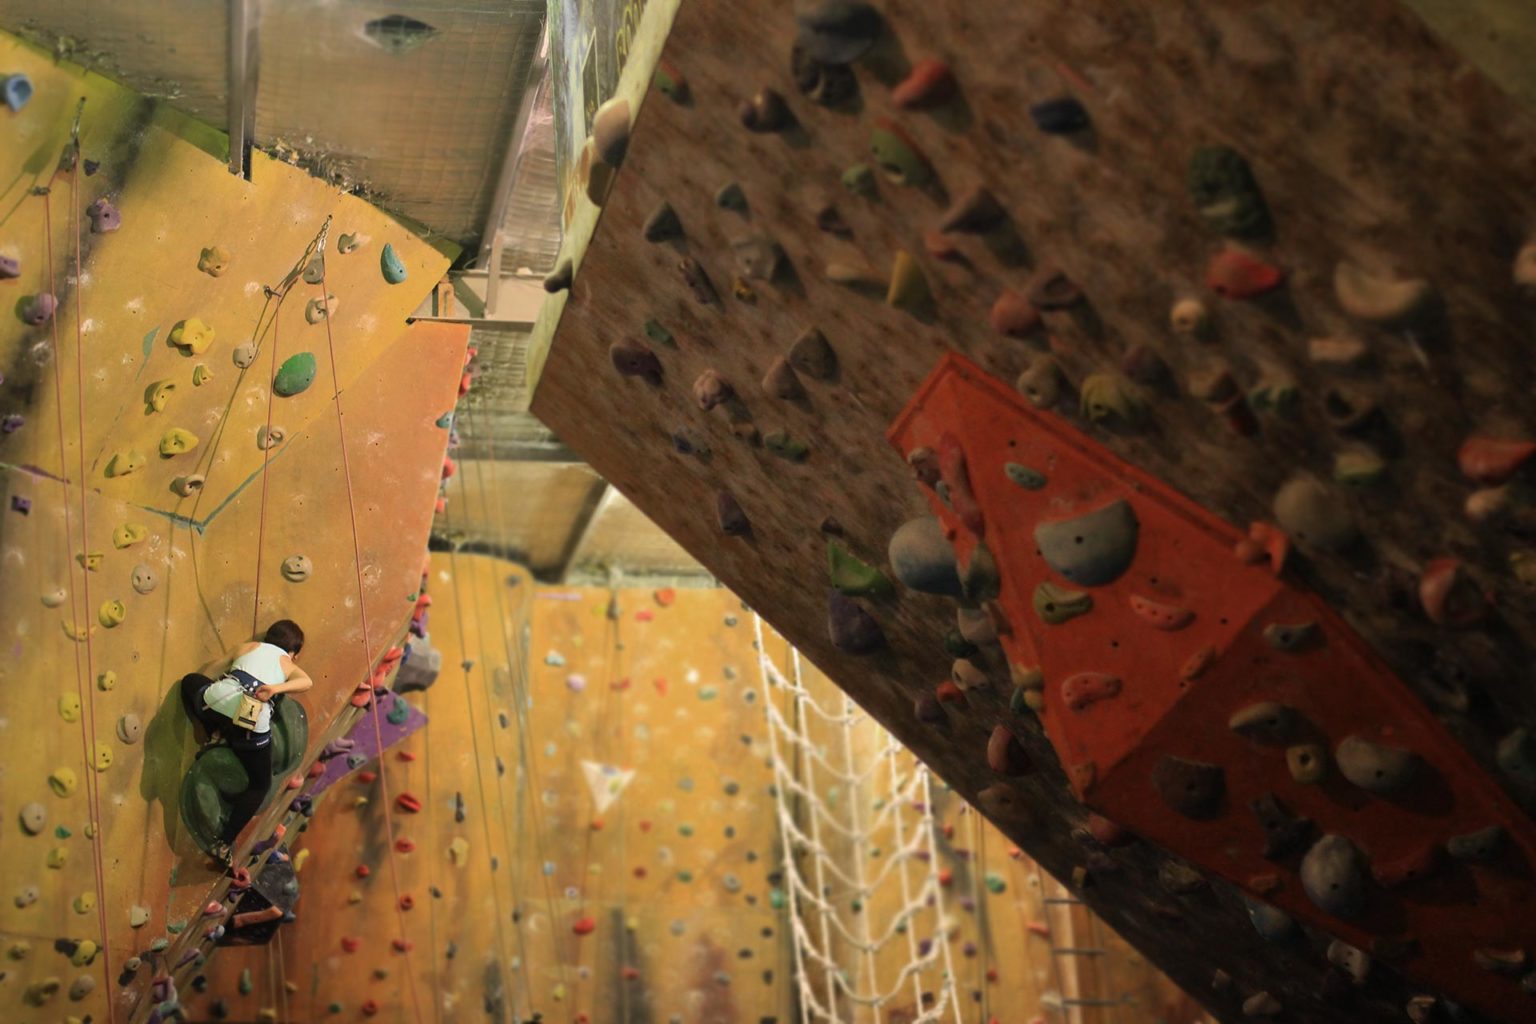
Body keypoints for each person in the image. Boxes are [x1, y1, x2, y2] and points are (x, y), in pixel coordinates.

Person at [179, 619, 313, 860]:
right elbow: (306, 682)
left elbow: (210, 672)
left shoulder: (248, 647)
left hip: (218, 702)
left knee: (190, 682)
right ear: (293, 652)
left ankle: (213, 732)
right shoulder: (285, 662)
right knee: (259, 785)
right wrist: (274, 689)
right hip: (249, 725)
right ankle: (223, 843)